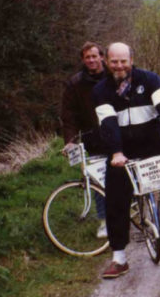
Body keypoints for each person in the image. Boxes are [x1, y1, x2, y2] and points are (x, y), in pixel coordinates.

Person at [92, 42, 160, 279]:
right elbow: (109, 124)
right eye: (114, 61)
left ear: (131, 60)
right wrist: (116, 152)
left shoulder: (150, 79)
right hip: (123, 150)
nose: (119, 66)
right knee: (115, 197)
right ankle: (119, 258)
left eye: (123, 61)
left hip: (153, 141)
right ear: (107, 62)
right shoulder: (100, 90)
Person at [60, 41, 108, 238]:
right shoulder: (75, 83)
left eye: (94, 56)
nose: (91, 60)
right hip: (94, 138)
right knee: (99, 180)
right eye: (87, 57)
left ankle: (134, 208)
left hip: (120, 134)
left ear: (102, 57)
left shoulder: (113, 76)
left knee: (126, 174)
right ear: (83, 60)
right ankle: (105, 221)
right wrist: (70, 140)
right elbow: (69, 115)